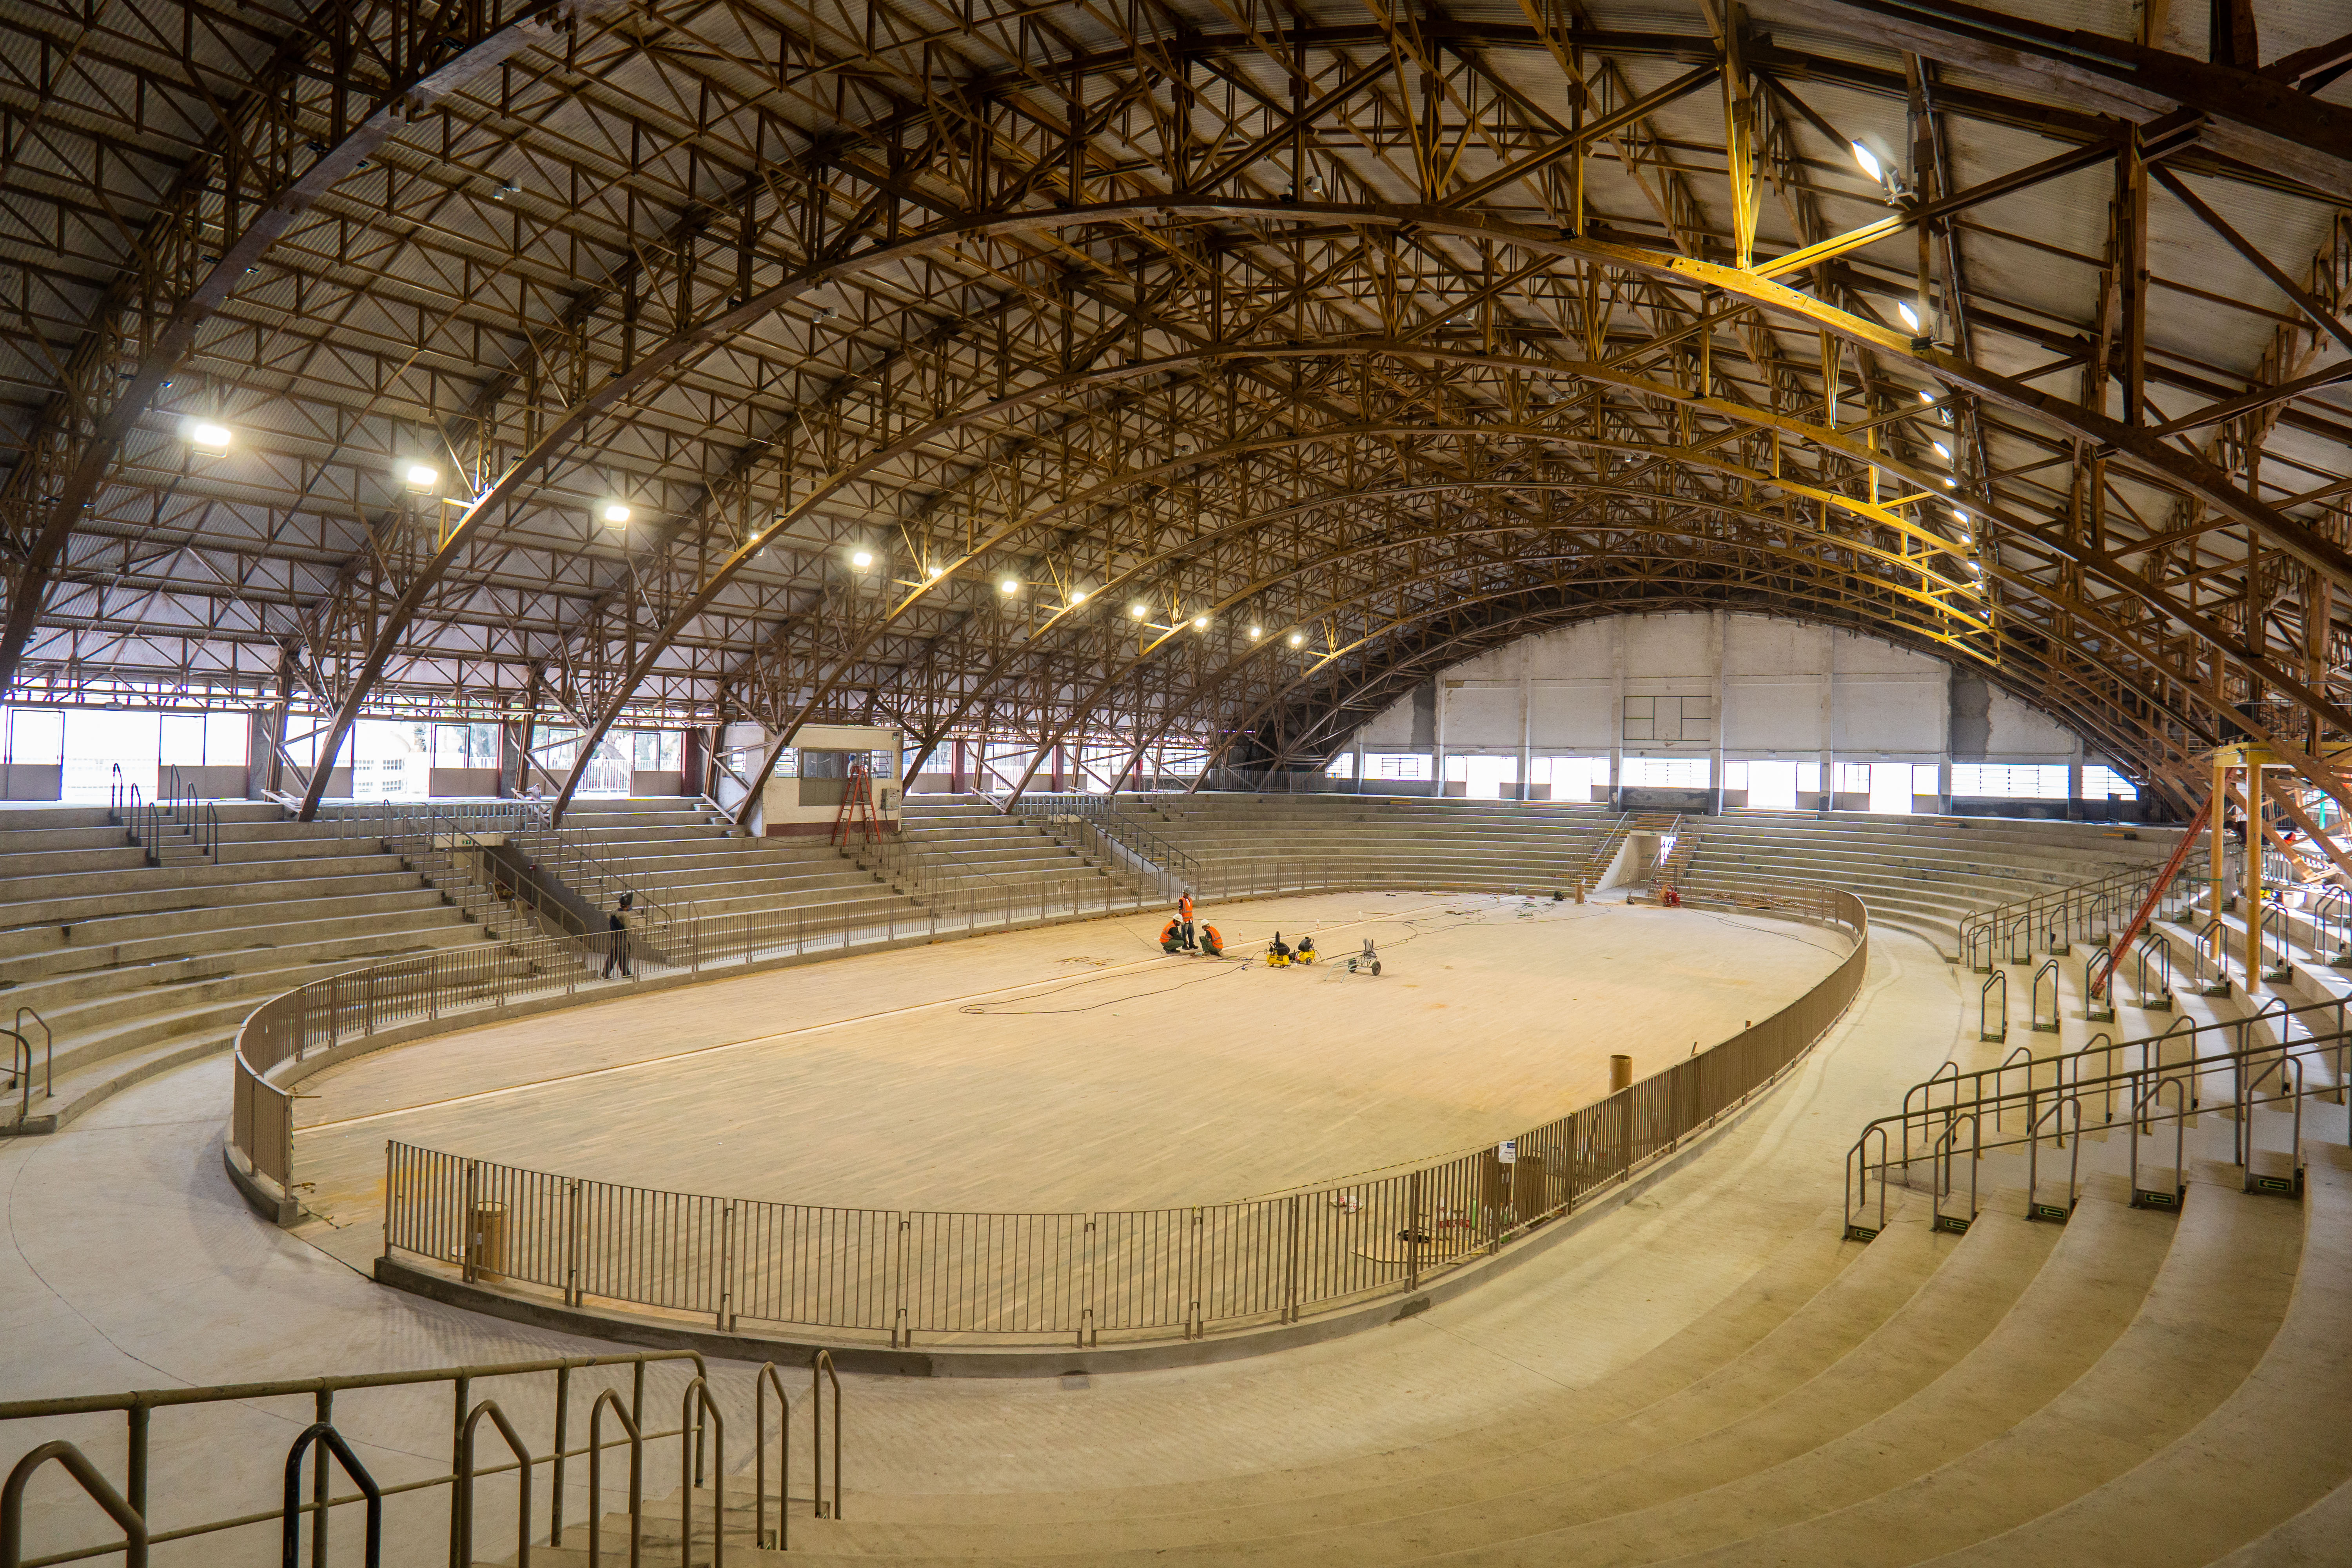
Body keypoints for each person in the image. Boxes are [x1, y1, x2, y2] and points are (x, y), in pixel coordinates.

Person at [603, 892, 635, 978]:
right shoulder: (625, 915)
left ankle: (606, 973)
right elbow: (628, 928)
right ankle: (625, 973)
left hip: (614, 937)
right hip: (622, 938)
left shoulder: (614, 912)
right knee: (624, 955)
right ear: (627, 906)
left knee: (613, 956)